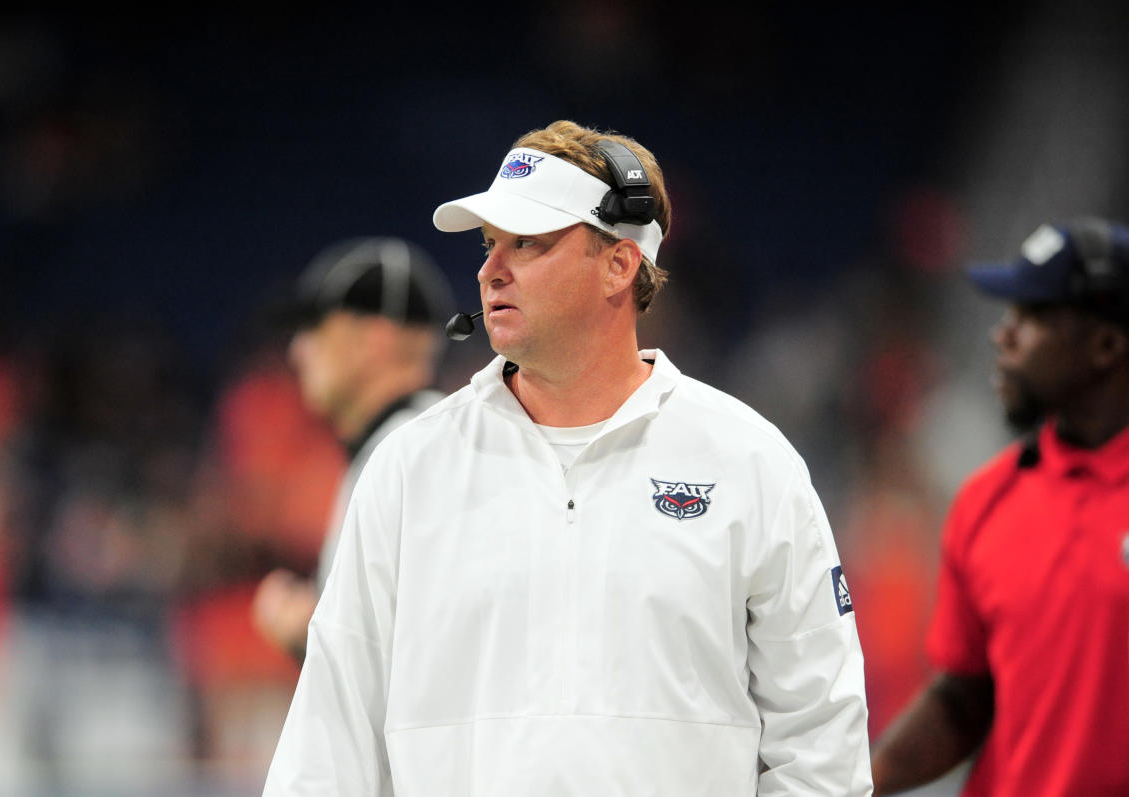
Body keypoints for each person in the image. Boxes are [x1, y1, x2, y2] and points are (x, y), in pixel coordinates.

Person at [263, 120, 872, 795]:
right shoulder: (408, 469)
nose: (490, 268)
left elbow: (820, 740)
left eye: (529, 243)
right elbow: (328, 740)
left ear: (619, 264)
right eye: (491, 243)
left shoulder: (751, 465)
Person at [870, 218, 1129, 795]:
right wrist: (855, 784)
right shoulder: (988, 499)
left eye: (1033, 318)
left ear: (1107, 346)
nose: (1003, 336)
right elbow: (964, 698)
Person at [250, 237, 455, 663]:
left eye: (315, 329)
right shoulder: (405, 441)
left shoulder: (415, 449)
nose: (297, 351)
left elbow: (430, 646)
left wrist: (305, 631)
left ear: (372, 340)